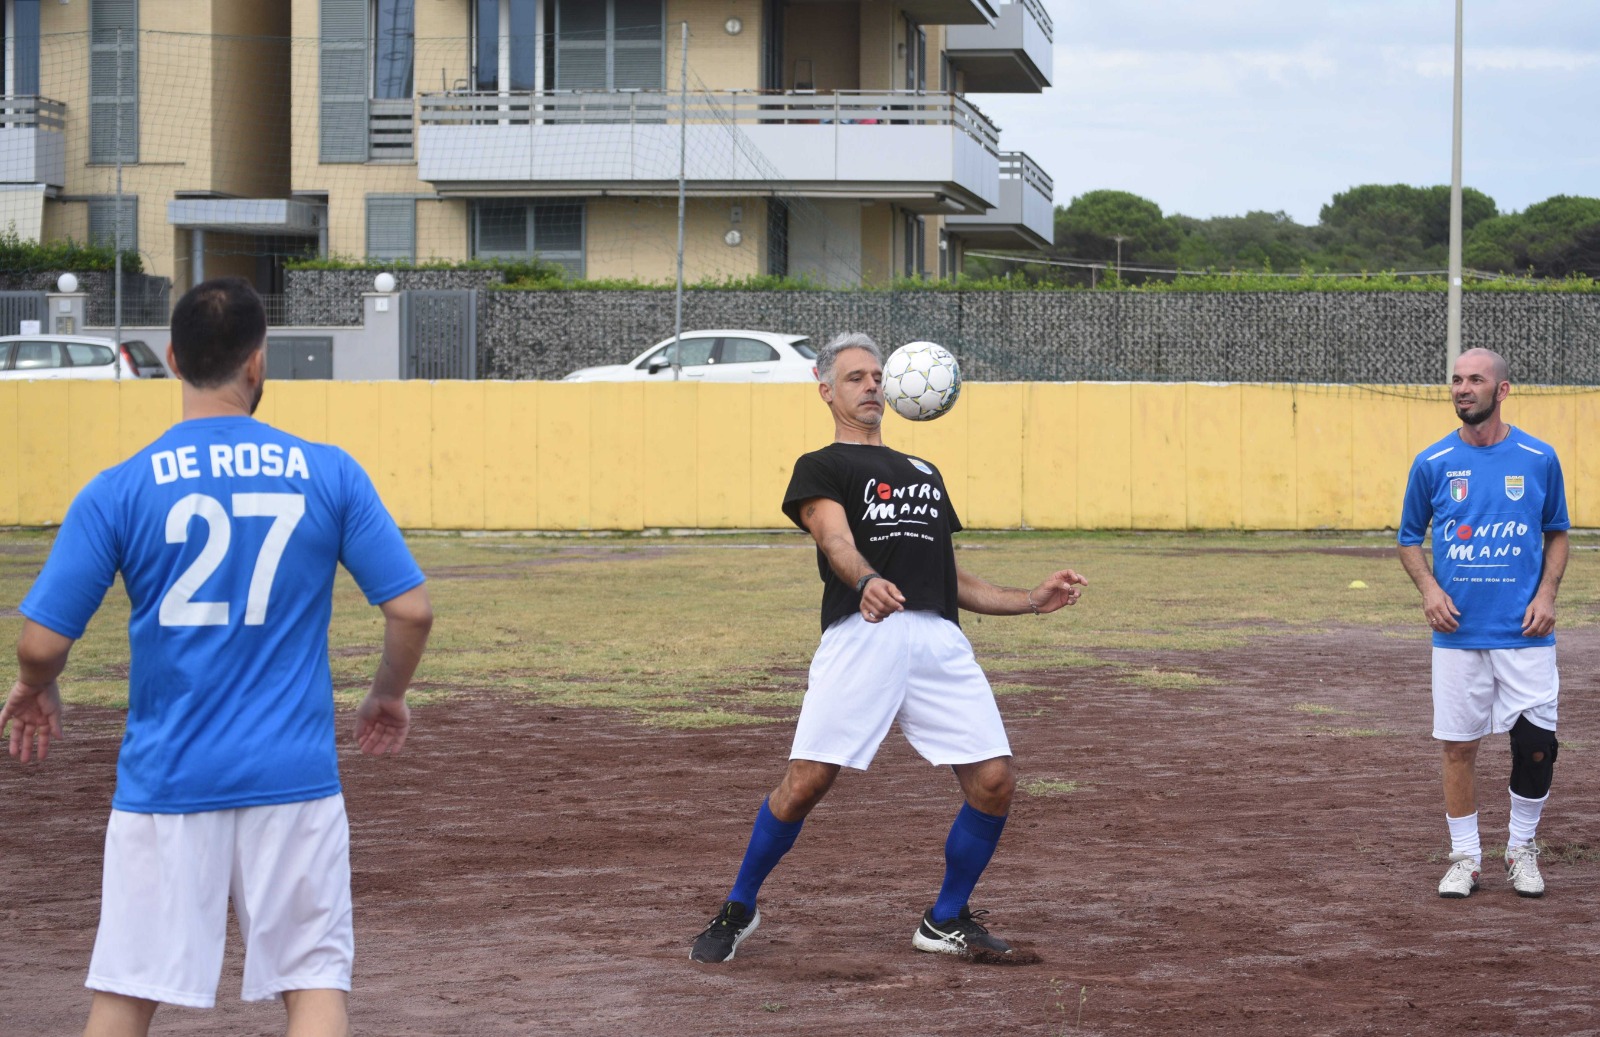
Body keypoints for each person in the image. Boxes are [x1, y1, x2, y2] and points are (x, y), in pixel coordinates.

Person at [1, 277, 433, 1037]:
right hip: (293, 778)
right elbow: (411, 609)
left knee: (127, 987)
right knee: (314, 981)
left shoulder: (119, 488)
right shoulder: (330, 472)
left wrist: (39, 683)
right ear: (259, 363)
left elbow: (41, 641)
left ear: (172, 358)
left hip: (166, 779)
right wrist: (385, 693)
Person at [690, 332, 1088, 963]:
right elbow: (835, 540)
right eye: (855, 377)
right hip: (863, 633)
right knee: (807, 782)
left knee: (994, 781)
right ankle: (739, 905)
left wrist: (1032, 599)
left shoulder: (924, 472)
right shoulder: (820, 466)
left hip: (938, 639)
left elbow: (949, 577)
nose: (872, 385)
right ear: (826, 390)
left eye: (877, 375)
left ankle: (944, 918)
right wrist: (868, 581)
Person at [1398, 347, 1569, 900]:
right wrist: (1429, 590)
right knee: (1459, 748)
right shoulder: (1433, 463)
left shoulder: (1538, 458)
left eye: (1475, 380)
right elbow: (1408, 540)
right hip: (1457, 637)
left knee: (1537, 745)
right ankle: (1466, 858)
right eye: (1455, 380)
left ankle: (1521, 849)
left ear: (1503, 390)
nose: (1461, 388)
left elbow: (1558, 533)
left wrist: (1546, 593)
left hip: (1525, 633)